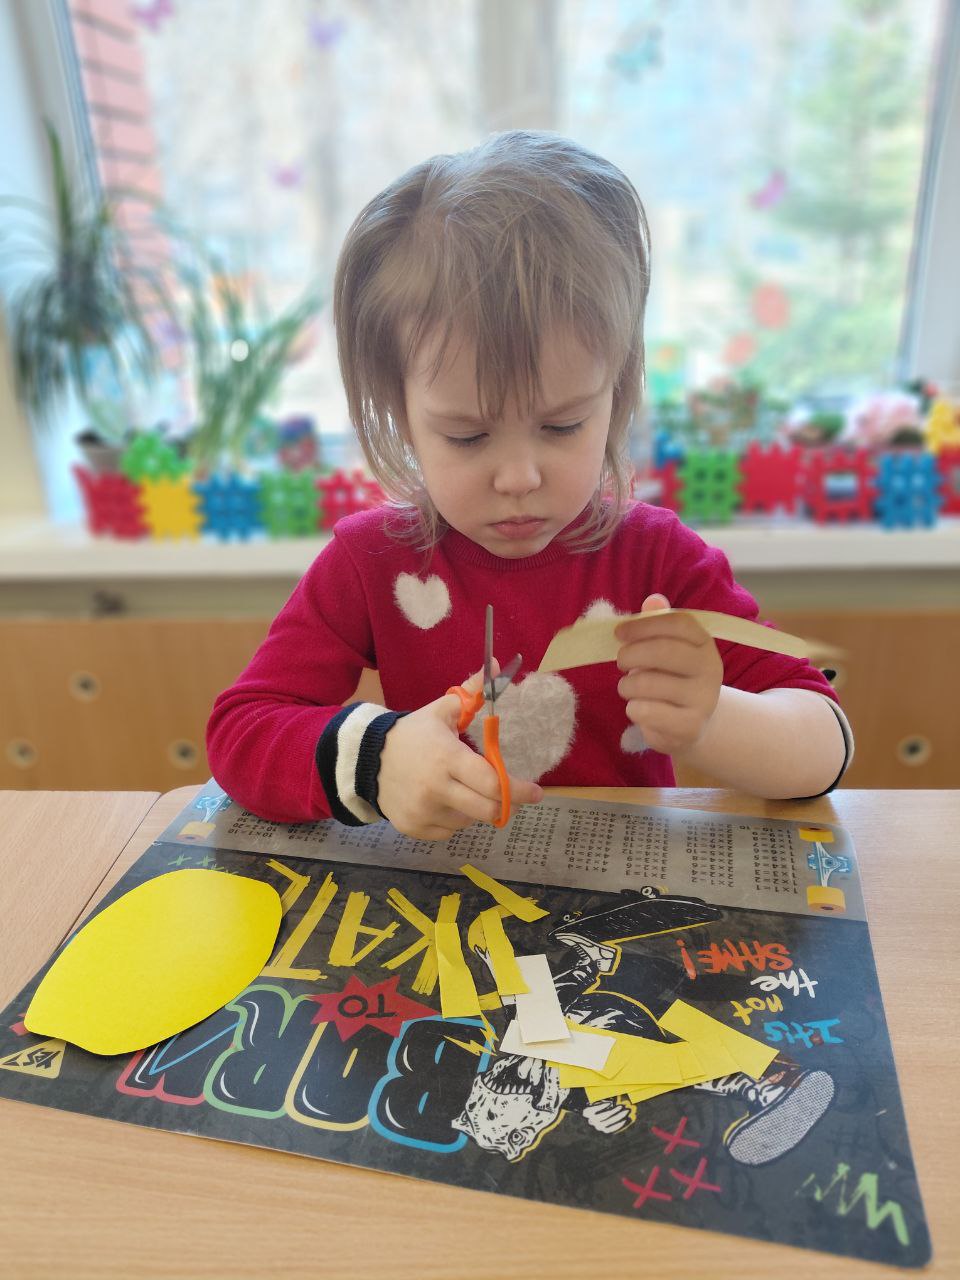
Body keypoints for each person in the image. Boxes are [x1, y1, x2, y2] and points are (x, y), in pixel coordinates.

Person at [207, 130, 852, 836]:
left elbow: (824, 742)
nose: (519, 478)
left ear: (616, 395)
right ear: (401, 414)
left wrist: (711, 718)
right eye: (467, 436)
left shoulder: (656, 561)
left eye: (563, 425)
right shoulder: (372, 563)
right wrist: (377, 760)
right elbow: (240, 732)